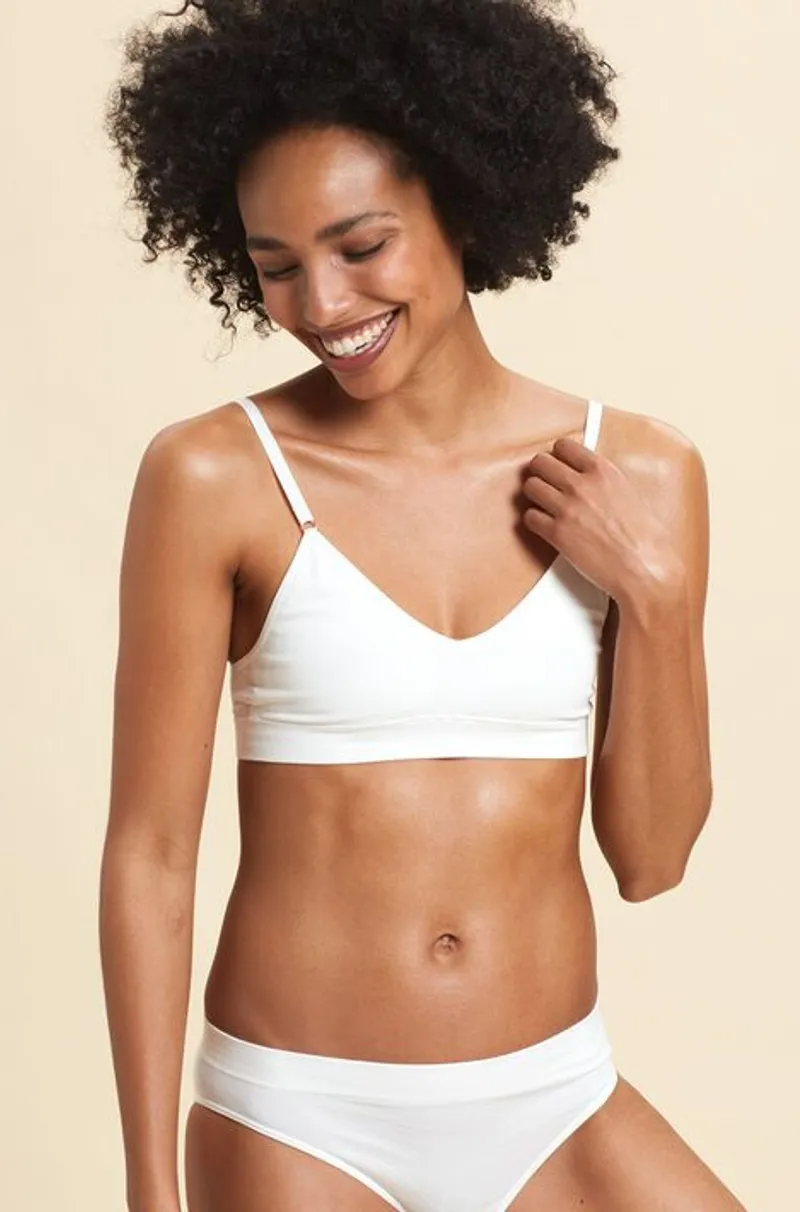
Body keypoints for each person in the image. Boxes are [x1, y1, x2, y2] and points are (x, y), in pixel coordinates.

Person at [99, 1, 747, 1210]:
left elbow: (650, 862)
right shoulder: (215, 476)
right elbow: (151, 855)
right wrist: (147, 1188)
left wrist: (653, 599)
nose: (321, 303)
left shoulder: (641, 474)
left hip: (555, 1097)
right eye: (275, 267)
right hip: (299, 1121)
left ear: (463, 200)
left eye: (360, 245)